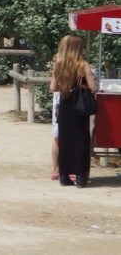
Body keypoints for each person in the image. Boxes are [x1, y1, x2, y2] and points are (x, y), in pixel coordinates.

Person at [50, 34, 97, 188]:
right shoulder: (83, 65)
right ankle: (80, 175)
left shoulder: (59, 64)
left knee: (65, 139)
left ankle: (64, 175)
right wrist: (82, 86)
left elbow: (53, 88)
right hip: (80, 105)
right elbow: (93, 87)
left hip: (65, 103)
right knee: (81, 139)